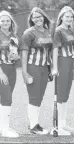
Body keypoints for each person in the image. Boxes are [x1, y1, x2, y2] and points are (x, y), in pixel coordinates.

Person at [20, 7, 53, 135]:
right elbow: (24, 53)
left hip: (44, 68)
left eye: (40, 17)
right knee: (34, 97)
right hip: (33, 67)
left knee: (39, 97)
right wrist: (24, 72)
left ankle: (35, 124)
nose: (37, 19)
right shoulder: (29, 33)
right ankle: (33, 126)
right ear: (31, 19)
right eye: (35, 17)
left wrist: (49, 69)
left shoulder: (47, 31)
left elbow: (49, 52)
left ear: (43, 17)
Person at [0, 10, 21, 138]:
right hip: (0, 70)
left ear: (11, 22)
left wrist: (16, 56)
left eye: (8, 20)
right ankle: (6, 130)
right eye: (3, 21)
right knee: (7, 98)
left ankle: (1, 127)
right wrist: (1, 72)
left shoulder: (14, 36)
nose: (5, 22)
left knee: (4, 98)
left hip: (12, 70)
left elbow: (15, 55)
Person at [50, 6, 74, 135]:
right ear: (61, 17)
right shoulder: (58, 31)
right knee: (60, 94)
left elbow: (73, 51)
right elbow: (55, 49)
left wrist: (73, 68)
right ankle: (56, 126)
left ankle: (63, 123)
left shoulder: (70, 30)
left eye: (71, 17)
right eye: (67, 16)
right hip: (61, 62)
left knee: (66, 95)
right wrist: (55, 67)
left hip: (70, 63)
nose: (69, 19)